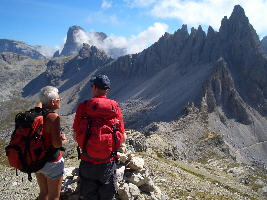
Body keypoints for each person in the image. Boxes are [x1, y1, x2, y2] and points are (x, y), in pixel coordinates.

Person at [73, 74, 126, 200]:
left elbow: (76, 133)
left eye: (92, 86)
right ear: (107, 90)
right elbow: (122, 136)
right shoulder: (114, 106)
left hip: (87, 160)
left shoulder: (83, 106)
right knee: (107, 195)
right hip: (108, 161)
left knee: (88, 194)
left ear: (94, 88)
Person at [36, 86, 68, 200]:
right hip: (51, 161)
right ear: (53, 102)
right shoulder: (53, 117)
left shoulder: (36, 112)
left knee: (43, 193)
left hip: (37, 159)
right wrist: (64, 140)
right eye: (59, 99)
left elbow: (40, 103)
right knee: (54, 196)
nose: (60, 101)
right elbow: (56, 144)